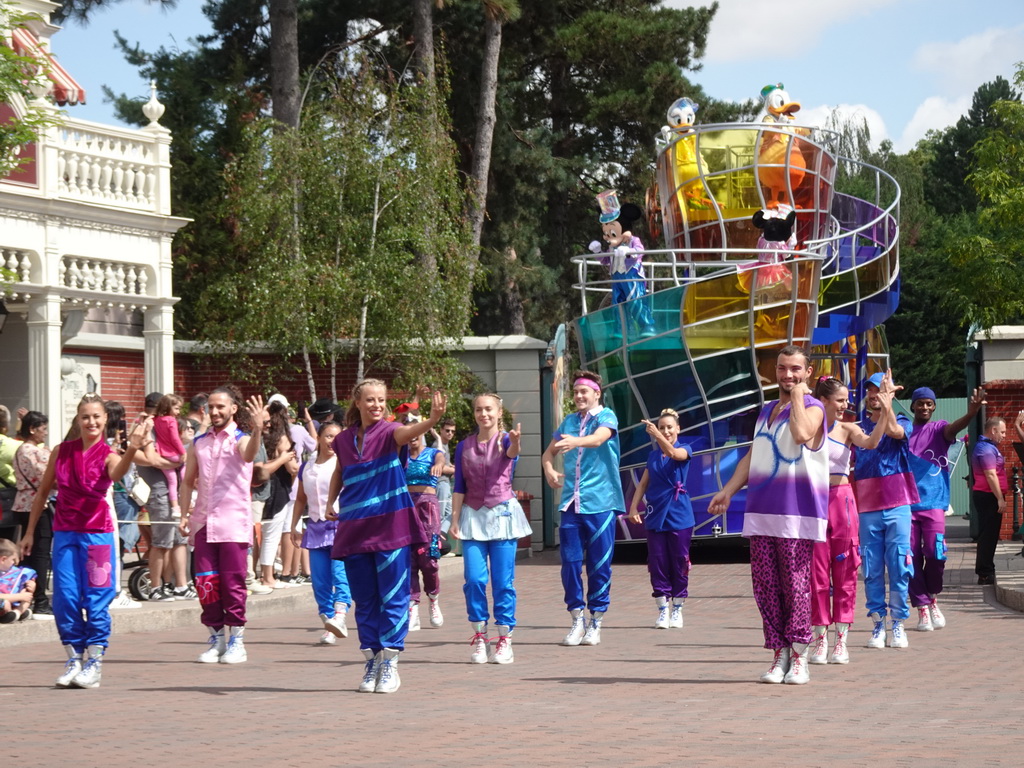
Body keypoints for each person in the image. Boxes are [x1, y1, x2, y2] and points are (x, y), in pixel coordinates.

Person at [708, 346, 829, 685]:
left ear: (808, 372)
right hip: (761, 512)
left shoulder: (814, 408)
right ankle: (779, 654)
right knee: (766, 588)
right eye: (781, 369)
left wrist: (800, 396)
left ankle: (800, 654)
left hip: (796, 513)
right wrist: (728, 489)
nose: (787, 375)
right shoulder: (765, 411)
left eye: (795, 369)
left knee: (796, 587)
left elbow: (802, 434)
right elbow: (755, 454)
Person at [19, 394, 150, 688]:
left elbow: (117, 473)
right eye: (85, 417)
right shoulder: (61, 451)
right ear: (77, 420)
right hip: (65, 532)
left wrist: (134, 448)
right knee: (65, 598)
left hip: (98, 534)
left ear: (105, 420)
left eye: (96, 417)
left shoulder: (109, 454)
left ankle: (94, 661)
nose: (91, 422)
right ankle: (74, 657)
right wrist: (28, 533)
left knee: (96, 599)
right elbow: (42, 494)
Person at [326, 379, 447, 694]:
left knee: (393, 595)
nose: (376, 405)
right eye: (370, 400)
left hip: (391, 528)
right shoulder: (342, 440)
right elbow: (340, 471)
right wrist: (329, 501)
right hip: (354, 527)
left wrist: (432, 420)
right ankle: (372, 660)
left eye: (381, 400)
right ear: (357, 401)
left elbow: (408, 433)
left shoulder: (390, 432)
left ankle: (391, 662)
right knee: (365, 600)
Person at [179, 387, 265, 665]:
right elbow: (187, 480)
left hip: (233, 524)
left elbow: (250, 455)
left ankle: (236, 640)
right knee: (206, 583)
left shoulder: (241, 439)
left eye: (220, 407)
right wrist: (182, 514)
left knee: (233, 584)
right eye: (211, 407)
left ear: (233, 409)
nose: (215, 412)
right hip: (203, 522)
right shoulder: (199, 443)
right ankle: (215, 638)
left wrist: (259, 429)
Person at [541, 369, 625, 647]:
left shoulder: (606, 416)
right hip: (570, 504)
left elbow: (599, 438)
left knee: (599, 565)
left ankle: (596, 620)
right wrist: (549, 469)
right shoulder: (568, 421)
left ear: (596, 393)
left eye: (583, 392)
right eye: (575, 392)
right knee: (570, 563)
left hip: (600, 502)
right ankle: (576, 618)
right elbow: (548, 453)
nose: (578, 396)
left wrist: (575, 441)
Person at [807, 378, 886, 666]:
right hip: (812, 501)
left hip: (841, 500)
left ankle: (841, 639)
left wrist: (886, 410)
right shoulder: (806, 429)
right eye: (840, 400)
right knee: (816, 574)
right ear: (824, 400)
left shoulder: (849, 429)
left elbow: (873, 442)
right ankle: (819, 638)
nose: (845, 405)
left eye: (846, 400)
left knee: (845, 570)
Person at [450, 395, 529, 664]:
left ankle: (504, 638)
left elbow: (512, 452)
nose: (483, 414)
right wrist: (454, 519)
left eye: (488, 409)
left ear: (498, 412)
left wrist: (516, 441)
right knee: (474, 580)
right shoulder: (464, 446)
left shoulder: (506, 439)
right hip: (472, 517)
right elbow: (459, 484)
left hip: (503, 517)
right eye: (478, 410)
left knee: (502, 582)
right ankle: (480, 637)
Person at [907, 386, 984, 630]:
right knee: (909, 558)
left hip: (934, 504)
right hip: (906, 506)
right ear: (913, 406)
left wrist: (971, 414)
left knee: (935, 554)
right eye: (921, 403)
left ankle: (932, 598)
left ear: (935, 406)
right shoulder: (904, 431)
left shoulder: (939, 428)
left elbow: (954, 429)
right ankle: (921, 607)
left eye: (930, 403)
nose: (925, 407)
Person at [854, 370, 920, 651]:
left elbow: (895, 432)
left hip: (898, 503)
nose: (874, 395)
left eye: (880, 389)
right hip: (867, 506)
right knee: (871, 567)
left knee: (899, 565)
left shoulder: (902, 419)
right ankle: (878, 623)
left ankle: (898, 624)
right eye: (871, 390)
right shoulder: (855, 427)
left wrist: (888, 403)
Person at [627, 409, 693, 631]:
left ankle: (678, 607)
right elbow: (644, 483)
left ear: (678, 429)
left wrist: (657, 436)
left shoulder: (685, 449)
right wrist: (634, 505)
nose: (665, 431)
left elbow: (675, 455)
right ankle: (662, 607)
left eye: (669, 427)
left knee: (679, 561)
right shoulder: (653, 456)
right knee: (657, 562)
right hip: (656, 514)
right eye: (661, 427)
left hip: (679, 513)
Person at [291, 422, 351, 645]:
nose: (332, 442)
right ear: (318, 438)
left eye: (337, 437)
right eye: (327, 436)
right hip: (315, 527)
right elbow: (300, 499)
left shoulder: (344, 463)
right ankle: (329, 622)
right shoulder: (306, 467)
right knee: (319, 581)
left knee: (340, 573)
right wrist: (294, 526)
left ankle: (341, 615)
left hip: (340, 526)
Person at [404, 422, 446, 632]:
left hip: (427, 506)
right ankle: (412, 607)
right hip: (405, 507)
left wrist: (439, 463)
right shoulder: (400, 456)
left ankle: (433, 598)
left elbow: (440, 457)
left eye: (416, 433)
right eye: (408, 433)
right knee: (408, 558)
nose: (412, 437)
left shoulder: (432, 453)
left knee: (429, 559)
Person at [12, 411, 53, 618]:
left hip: (23, 503)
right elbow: (47, 477)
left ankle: (27, 596)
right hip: (36, 504)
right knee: (40, 553)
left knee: (30, 553)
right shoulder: (32, 451)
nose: (45, 433)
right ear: (32, 429)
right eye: (43, 429)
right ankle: (40, 599)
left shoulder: (22, 450)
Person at [257, 404, 298, 590]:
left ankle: (261, 574)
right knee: (272, 536)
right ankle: (268, 576)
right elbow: (293, 468)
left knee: (262, 534)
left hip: (263, 489)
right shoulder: (282, 439)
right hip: (278, 489)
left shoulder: (260, 438)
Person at [973, 416, 1009, 586]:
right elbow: (990, 474)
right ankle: (985, 573)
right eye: (1002, 432)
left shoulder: (988, 447)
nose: (1004, 436)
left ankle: (986, 569)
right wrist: (1000, 498)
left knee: (990, 534)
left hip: (988, 495)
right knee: (988, 535)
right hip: (989, 496)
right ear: (993, 430)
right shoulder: (987, 449)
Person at [153, 394, 188, 520]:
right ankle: (186, 499)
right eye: (177, 408)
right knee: (184, 475)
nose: (178, 412)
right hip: (174, 454)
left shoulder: (156, 420)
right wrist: (183, 452)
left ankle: (175, 508)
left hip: (162, 454)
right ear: (169, 407)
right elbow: (175, 438)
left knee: (172, 481)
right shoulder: (171, 420)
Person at [432, 418, 458, 554]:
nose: (450, 433)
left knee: (451, 514)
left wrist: (452, 466)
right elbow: (439, 468)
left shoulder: (445, 445)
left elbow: (445, 464)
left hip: (446, 483)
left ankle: (440, 540)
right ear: (441, 430)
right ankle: (436, 545)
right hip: (440, 483)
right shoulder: (438, 444)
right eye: (447, 430)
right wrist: (457, 470)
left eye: (452, 431)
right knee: (441, 515)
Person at [0, 537, 36, 622]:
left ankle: (16, 612)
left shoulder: (9, 573)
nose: (15, 563)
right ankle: (11, 614)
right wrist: (18, 597)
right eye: (13, 560)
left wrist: (30, 588)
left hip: (10, 601)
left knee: (27, 597)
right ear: (3, 559)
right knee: (3, 603)